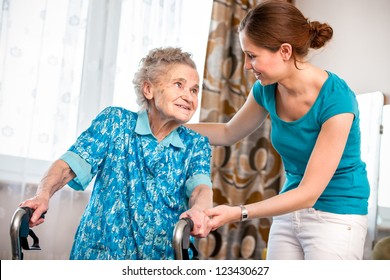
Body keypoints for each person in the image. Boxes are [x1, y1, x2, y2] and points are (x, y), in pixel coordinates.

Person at [187, 0, 369, 260]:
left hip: (337, 215)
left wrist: (238, 212)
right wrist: (171, 127)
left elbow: (309, 193)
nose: (247, 67)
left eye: (252, 56)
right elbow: (228, 132)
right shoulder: (267, 89)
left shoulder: (337, 101)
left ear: (284, 51)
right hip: (290, 208)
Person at [20, 47, 213, 260]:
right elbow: (68, 165)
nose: (189, 96)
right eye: (179, 85)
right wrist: (43, 194)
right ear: (148, 89)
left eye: (194, 90)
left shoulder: (196, 144)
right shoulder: (115, 122)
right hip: (101, 255)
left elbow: (200, 189)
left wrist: (200, 211)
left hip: (160, 258)